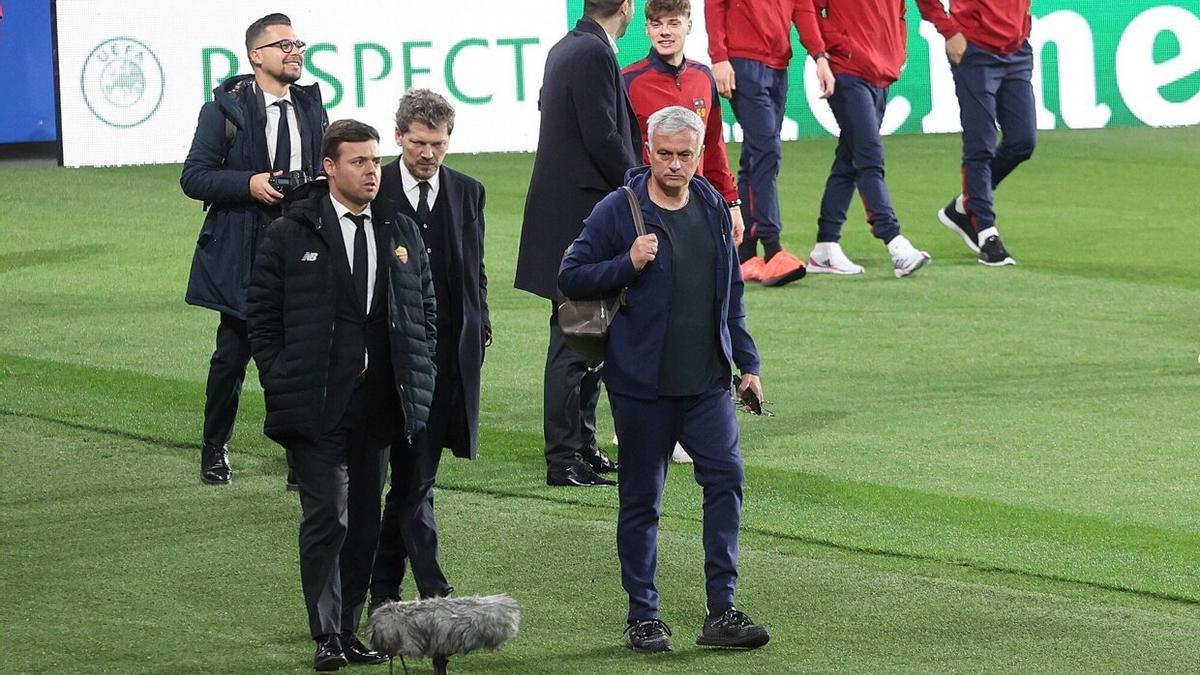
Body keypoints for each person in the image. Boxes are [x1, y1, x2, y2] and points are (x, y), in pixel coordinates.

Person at [559, 106, 771, 653]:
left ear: (700, 156)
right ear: (647, 152)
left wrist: (747, 365)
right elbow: (570, 275)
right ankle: (643, 615)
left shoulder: (712, 208)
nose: (674, 165)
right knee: (641, 501)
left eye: (685, 155)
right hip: (640, 387)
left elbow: (733, 298)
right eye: (664, 154)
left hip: (706, 384)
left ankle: (721, 609)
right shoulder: (619, 210)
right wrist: (626, 263)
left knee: (726, 480)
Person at [247, 120, 437, 671]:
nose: (372, 171)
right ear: (330, 167)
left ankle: (350, 628)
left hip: (379, 403)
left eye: (376, 161)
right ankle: (327, 633)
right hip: (315, 401)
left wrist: (418, 366)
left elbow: (425, 309)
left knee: (365, 521)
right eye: (359, 162)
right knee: (328, 515)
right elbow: (261, 315)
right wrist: (280, 375)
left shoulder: (400, 227)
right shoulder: (290, 231)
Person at [181, 13, 327, 487]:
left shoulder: (311, 103)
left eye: (298, 43)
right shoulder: (223, 110)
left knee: (304, 357)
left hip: (304, 245)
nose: (294, 51)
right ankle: (214, 447)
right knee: (233, 355)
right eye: (283, 45)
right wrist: (250, 183)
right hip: (248, 250)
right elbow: (194, 177)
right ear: (255, 55)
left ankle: (299, 458)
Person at [369, 89, 490, 606]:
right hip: (389, 361)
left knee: (414, 478)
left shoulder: (468, 192)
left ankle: (382, 589)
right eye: (418, 143)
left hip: (449, 359)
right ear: (398, 137)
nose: (428, 154)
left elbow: (473, 269)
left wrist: (480, 323)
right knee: (413, 479)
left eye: (437, 144)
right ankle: (432, 588)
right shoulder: (375, 191)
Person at [514, 0, 642, 488]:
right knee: (575, 340)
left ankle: (582, 448)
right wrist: (640, 187)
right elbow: (603, 137)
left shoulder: (568, 47)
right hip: (579, 225)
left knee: (587, 338)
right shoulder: (592, 53)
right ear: (627, 7)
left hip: (568, 219)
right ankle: (564, 457)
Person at [622, 0, 741, 465]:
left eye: (673, 23)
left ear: (690, 25)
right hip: (643, 211)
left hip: (698, 209)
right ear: (646, 28)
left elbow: (713, 144)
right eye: (656, 24)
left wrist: (729, 201)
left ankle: (691, 418)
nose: (664, 31)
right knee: (645, 311)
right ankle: (636, 415)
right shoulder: (628, 79)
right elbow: (621, 148)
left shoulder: (703, 77)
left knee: (697, 305)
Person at [794, 0, 932, 278]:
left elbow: (900, 12)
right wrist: (828, 51)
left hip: (880, 74)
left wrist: (896, 52)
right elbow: (806, 7)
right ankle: (895, 242)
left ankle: (825, 247)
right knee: (869, 156)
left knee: (850, 159)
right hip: (847, 71)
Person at [917, 0, 1034, 266]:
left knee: (1022, 141)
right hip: (974, 48)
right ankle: (986, 233)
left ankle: (965, 205)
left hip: (1016, 49)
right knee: (980, 144)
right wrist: (948, 30)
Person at [705, 0, 808, 287]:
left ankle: (746, 252)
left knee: (755, 153)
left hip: (778, 63)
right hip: (743, 61)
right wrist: (719, 57)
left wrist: (821, 55)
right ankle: (772, 246)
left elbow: (802, 7)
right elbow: (715, 5)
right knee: (767, 151)